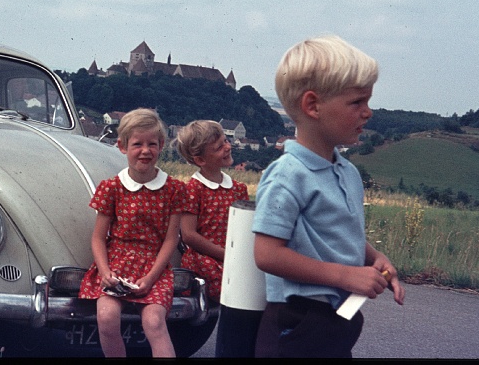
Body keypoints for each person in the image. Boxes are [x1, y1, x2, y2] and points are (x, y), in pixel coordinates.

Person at [252, 35, 406, 358]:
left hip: (337, 321)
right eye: (357, 102)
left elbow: (337, 230)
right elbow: (267, 254)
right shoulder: (287, 174)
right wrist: (345, 275)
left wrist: (373, 257)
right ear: (313, 106)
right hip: (298, 320)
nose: (368, 112)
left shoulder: (347, 171)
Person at [78, 108, 186, 357]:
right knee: (106, 317)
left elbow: (171, 240)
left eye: (152, 144)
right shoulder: (111, 187)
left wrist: (150, 278)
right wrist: (104, 272)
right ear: (122, 146)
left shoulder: (174, 189)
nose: (145, 151)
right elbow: (98, 238)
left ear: (161, 146)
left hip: (154, 268)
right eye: (137, 144)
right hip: (116, 265)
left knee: (154, 322)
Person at [175, 120, 252, 357]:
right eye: (219, 147)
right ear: (200, 159)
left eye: (226, 141)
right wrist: (226, 255)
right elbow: (189, 235)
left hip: (233, 257)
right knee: (236, 296)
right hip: (205, 258)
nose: (228, 147)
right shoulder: (193, 189)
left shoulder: (238, 189)